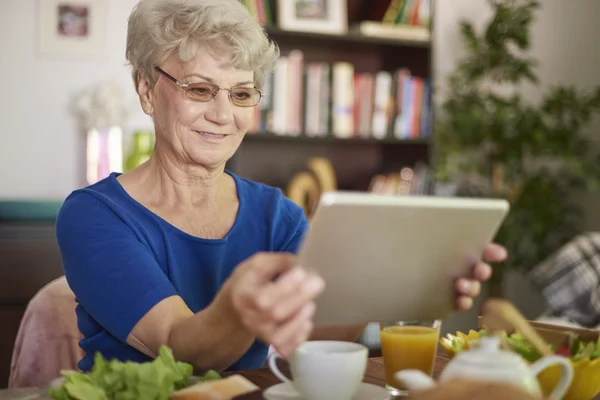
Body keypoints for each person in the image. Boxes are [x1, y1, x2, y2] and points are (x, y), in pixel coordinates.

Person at [55, 0, 507, 374]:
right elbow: (181, 351)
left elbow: (313, 339)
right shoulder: (93, 215)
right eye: (199, 89)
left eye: (242, 94)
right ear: (148, 90)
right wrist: (239, 301)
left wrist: (388, 283)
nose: (223, 114)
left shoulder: (278, 214)